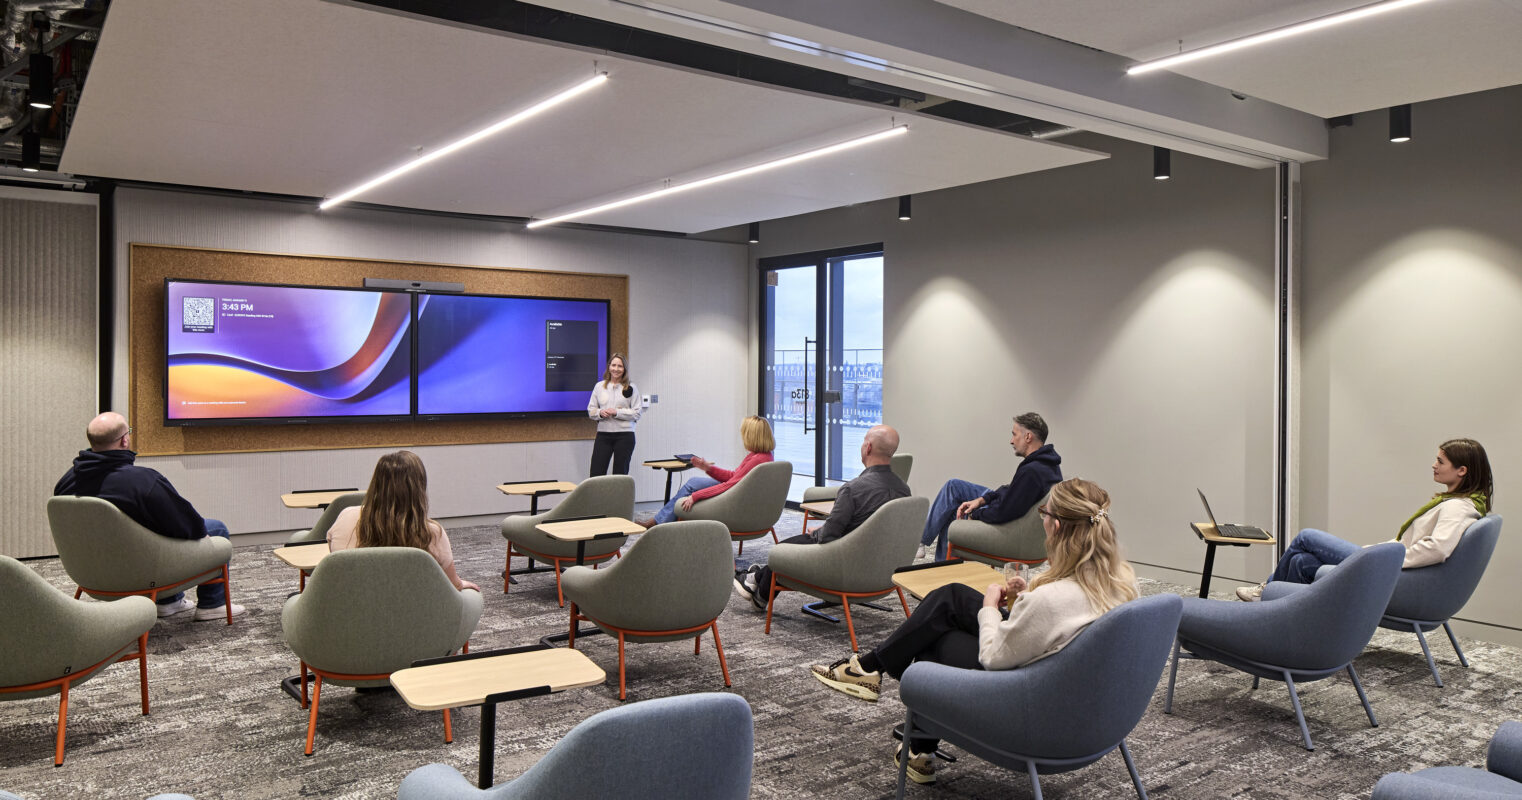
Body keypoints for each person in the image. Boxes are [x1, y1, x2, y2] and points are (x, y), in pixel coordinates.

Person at [810, 478, 1138, 784]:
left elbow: (994, 656)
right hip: (1087, 706)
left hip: (1032, 707)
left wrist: (992, 606)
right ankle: (873, 673)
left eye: (1044, 513)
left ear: (1056, 525)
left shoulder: (1053, 599)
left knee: (937, 640)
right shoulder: (1122, 580)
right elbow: (1060, 624)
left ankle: (907, 725)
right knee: (951, 598)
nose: (1042, 520)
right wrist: (1027, 601)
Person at [1237, 438, 1493, 601]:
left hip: (1391, 569)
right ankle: (1281, 615)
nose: (1434, 465)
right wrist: (1381, 550)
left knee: (1306, 537)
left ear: (1462, 470)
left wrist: (1386, 557)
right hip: (1387, 561)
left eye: (1440, 461)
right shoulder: (1458, 503)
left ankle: (1265, 593)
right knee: (1302, 561)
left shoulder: (1458, 508)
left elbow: (1437, 549)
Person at [54, 412, 246, 621]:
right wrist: (200, 532)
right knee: (215, 528)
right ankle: (212, 604)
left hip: (90, 573)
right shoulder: (142, 481)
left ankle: (169, 602)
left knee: (154, 527)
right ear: (125, 440)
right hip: (141, 572)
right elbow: (183, 522)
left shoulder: (67, 481)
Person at [733, 424, 911, 610]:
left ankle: (759, 590)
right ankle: (754, 578)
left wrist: (820, 531)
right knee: (801, 541)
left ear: (868, 448)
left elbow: (829, 537)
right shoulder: (904, 490)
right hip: (881, 569)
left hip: (843, 566)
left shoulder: (853, 489)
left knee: (782, 550)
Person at [326, 451, 479, 592]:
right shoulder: (430, 532)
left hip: (351, 610)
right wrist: (461, 584)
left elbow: (337, 563)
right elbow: (453, 585)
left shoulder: (346, 516)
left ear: (376, 483)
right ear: (419, 488)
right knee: (470, 596)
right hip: (411, 614)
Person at [919, 412, 1061, 561]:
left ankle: (937, 560)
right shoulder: (1048, 464)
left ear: (1028, 437)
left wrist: (975, 514)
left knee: (956, 508)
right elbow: (1011, 489)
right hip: (1012, 511)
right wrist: (982, 499)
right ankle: (925, 544)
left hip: (1008, 526)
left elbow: (1004, 512)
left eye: (1014, 435)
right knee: (954, 486)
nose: (1011, 441)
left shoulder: (1032, 472)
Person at [645, 415, 775, 527]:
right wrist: (708, 468)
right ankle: (660, 521)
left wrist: (695, 497)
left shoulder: (757, 460)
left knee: (692, 487)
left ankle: (659, 523)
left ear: (751, 436)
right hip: (738, 493)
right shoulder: (763, 456)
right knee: (694, 482)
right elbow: (734, 476)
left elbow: (730, 485)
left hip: (735, 499)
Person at [587, 353, 641, 477]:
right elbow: (591, 410)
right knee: (596, 474)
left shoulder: (631, 387)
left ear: (624, 369)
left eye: (620, 366)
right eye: (613, 365)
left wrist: (617, 412)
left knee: (620, 475)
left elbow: (637, 413)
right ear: (609, 366)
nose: (616, 369)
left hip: (625, 436)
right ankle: (598, 497)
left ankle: (619, 497)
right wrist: (600, 413)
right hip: (603, 435)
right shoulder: (599, 387)